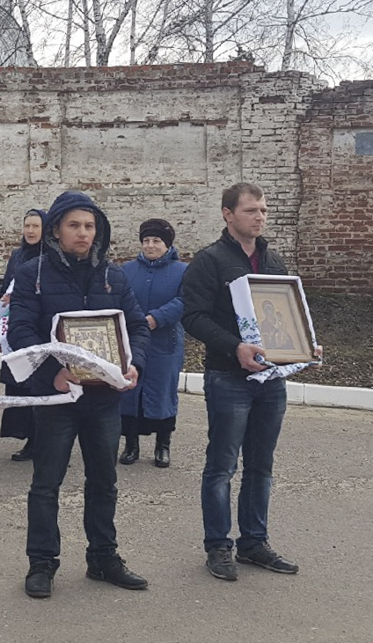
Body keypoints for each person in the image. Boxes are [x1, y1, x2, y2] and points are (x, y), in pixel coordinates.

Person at [7, 190, 150, 599]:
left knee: (104, 481)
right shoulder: (32, 274)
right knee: (46, 483)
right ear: (56, 229)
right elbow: (21, 331)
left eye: (89, 226)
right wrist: (53, 372)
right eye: (74, 225)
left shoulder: (114, 276)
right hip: (58, 400)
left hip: (104, 400)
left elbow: (137, 327)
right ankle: (41, 563)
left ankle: (103, 558)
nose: (83, 233)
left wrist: (133, 361)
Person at [182, 182, 305, 582]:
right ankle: (218, 546)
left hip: (270, 380)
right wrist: (234, 346)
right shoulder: (210, 261)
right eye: (251, 211)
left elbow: (287, 318)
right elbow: (193, 316)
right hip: (228, 377)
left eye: (264, 211)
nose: (260, 217)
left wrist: (303, 350)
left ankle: (254, 542)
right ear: (227, 214)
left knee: (261, 466)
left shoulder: (274, 261)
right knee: (221, 466)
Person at [118, 218, 188, 468]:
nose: (150, 245)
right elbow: (119, 297)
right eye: (146, 240)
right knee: (130, 393)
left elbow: (184, 300)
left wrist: (157, 318)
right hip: (132, 340)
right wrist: (134, 319)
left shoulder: (182, 271)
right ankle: (131, 445)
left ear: (167, 244)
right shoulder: (127, 270)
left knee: (162, 394)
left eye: (156, 241)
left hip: (164, 342)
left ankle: (163, 445)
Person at [0, 208, 46, 462]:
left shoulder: (50, 257)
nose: (30, 231)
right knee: (20, 387)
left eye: (36, 226)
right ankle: (29, 438)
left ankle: (43, 440)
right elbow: (5, 288)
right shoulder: (17, 256)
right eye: (27, 226)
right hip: (16, 329)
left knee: (40, 386)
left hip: (41, 330)